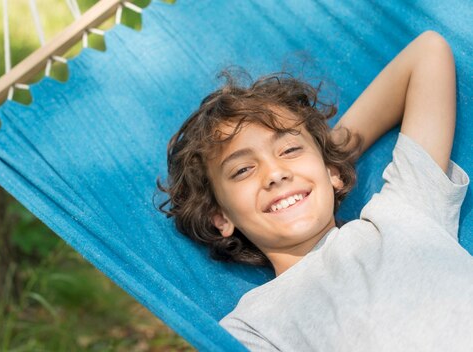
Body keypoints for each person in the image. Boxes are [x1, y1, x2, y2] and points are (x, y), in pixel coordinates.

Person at [158, 31, 473, 351]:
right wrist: (311, 161)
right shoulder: (249, 328)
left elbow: (427, 53)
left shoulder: (403, 210)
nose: (275, 173)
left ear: (333, 173)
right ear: (221, 218)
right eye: (243, 170)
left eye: (289, 150)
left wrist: (327, 158)